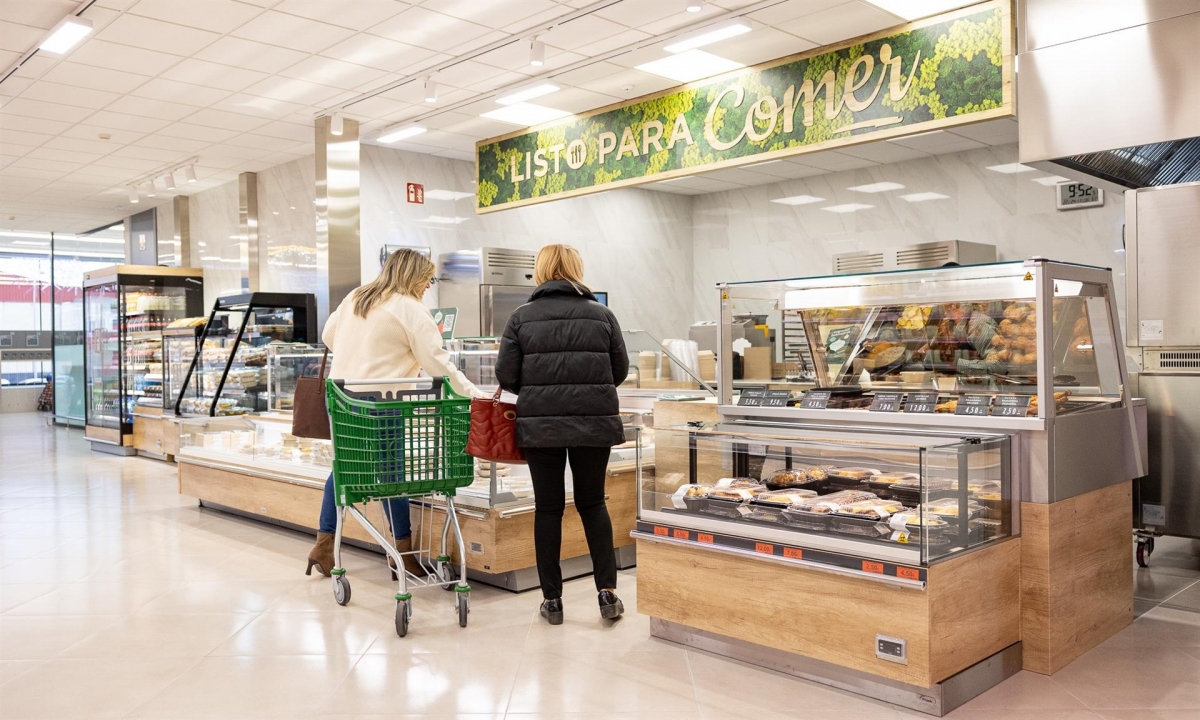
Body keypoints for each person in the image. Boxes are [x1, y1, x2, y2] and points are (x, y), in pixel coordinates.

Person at [305, 249, 483, 579]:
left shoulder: (358, 296)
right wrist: (475, 396)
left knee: (348, 467)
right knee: (393, 475)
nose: (429, 285)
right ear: (413, 276)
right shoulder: (411, 309)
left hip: (343, 399)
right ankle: (402, 551)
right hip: (381, 403)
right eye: (427, 278)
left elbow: (329, 335)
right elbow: (438, 364)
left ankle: (324, 545)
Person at [495, 244, 630, 625]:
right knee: (593, 503)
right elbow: (618, 371)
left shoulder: (521, 318)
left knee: (548, 508)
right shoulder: (602, 315)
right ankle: (608, 594)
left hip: (541, 425)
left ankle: (552, 600)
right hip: (594, 422)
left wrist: (540, 390)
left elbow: (506, 376)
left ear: (540, 272)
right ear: (576, 269)